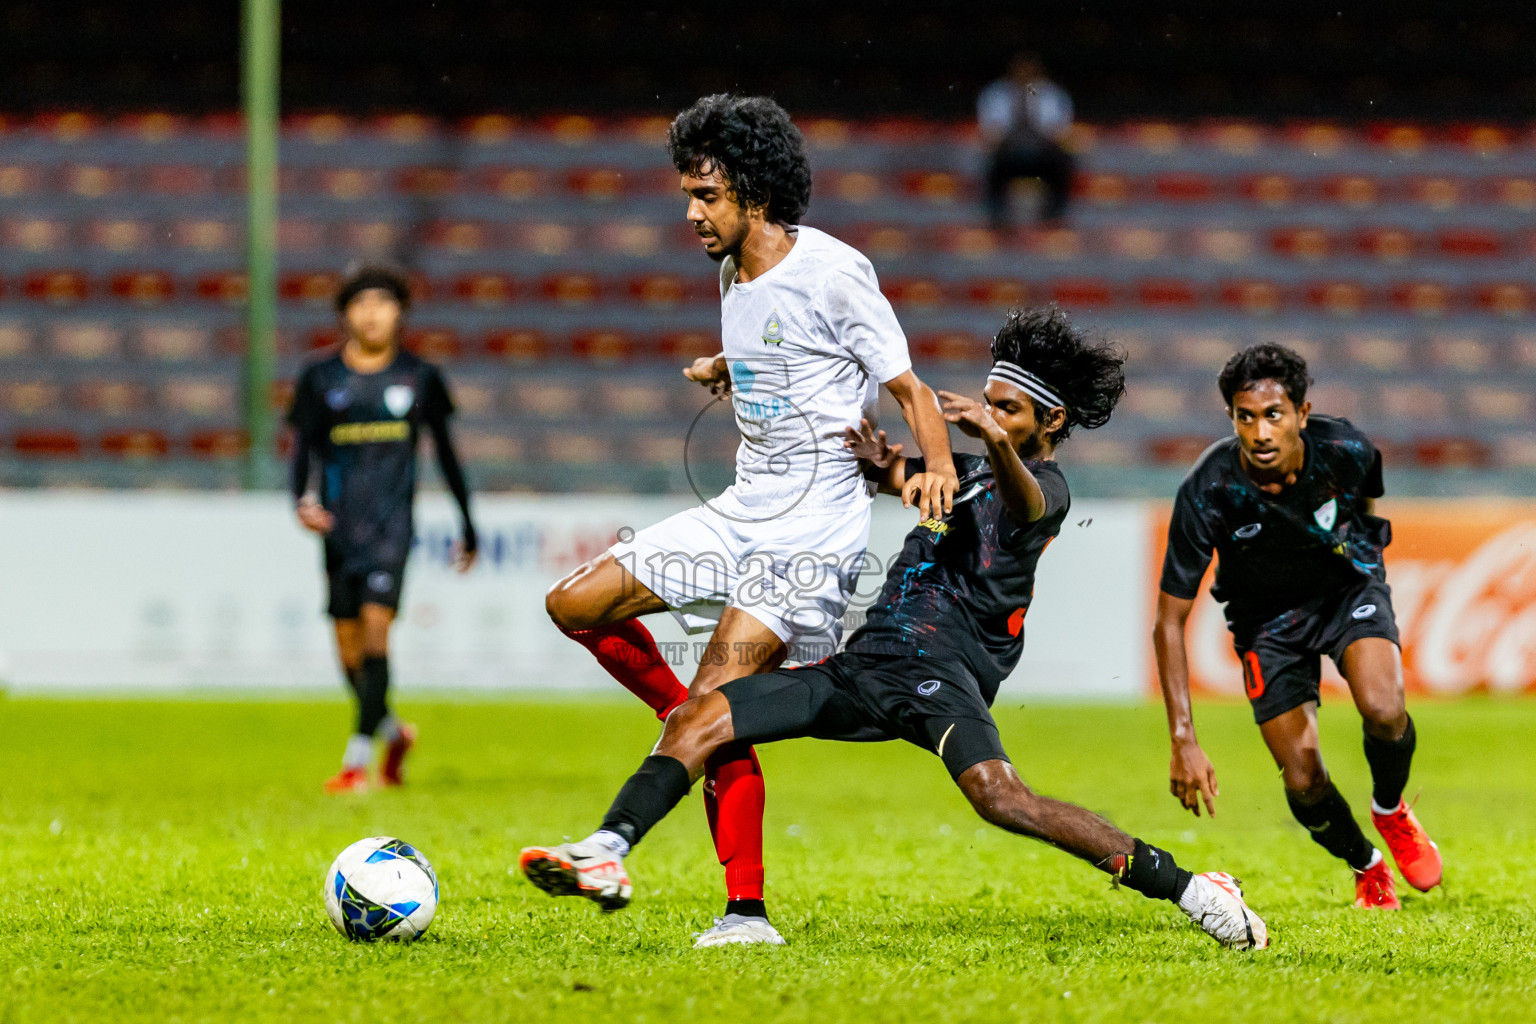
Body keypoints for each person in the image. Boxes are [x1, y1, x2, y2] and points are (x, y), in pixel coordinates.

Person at [522, 308, 1269, 952]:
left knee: (1002, 800)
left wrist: (994, 442)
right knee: (701, 714)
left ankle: (1191, 889)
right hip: (862, 669)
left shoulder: (1041, 487)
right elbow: (901, 472)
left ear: (1052, 421)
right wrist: (875, 457)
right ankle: (608, 848)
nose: (989, 415)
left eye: (1009, 410)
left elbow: (1027, 502)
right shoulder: (965, 471)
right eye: (987, 403)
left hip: (941, 679)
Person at [544, 94, 958, 947]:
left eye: (705, 195)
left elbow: (908, 388)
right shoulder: (733, 270)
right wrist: (725, 366)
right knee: (574, 605)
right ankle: (685, 722)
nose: (691, 213)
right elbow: (783, 350)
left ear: (754, 192)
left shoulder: (837, 271)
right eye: (687, 194)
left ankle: (716, 897)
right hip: (738, 511)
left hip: (806, 539)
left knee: (713, 708)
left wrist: (938, 467)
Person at [1153, 343, 1442, 910]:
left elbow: (1367, 511)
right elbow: (1169, 622)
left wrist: (1369, 575)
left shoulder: (1348, 450)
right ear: (1232, 417)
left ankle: (1390, 809)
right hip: (1265, 623)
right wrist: (1183, 738)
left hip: (1344, 593)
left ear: (1303, 415)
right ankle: (1367, 863)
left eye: (1274, 415)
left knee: (1385, 710)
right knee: (1302, 778)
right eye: (1246, 416)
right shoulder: (1207, 490)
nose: (1260, 432)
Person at [287, 264, 478, 795]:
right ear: (346, 315)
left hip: (392, 531)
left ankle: (355, 764)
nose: (372, 314)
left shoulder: (420, 376)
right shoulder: (320, 377)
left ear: (400, 314)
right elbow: (302, 450)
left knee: (376, 633)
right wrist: (300, 502)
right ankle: (394, 734)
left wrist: (468, 525)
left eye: (383, 303)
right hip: (339, 530)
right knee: (350, 658)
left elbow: (446, 456)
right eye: (361, 304)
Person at [978, 54, 1076, 229]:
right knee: (990, 162)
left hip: (1042, 154)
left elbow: (1059, 130)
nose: (1024, 75)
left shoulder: (1049, 93)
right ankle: (996, 216)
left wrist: (1045, 130)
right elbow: (990, 132)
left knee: (1063, 162)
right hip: (1009, 154)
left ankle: (1055, 215)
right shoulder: (997, 93)